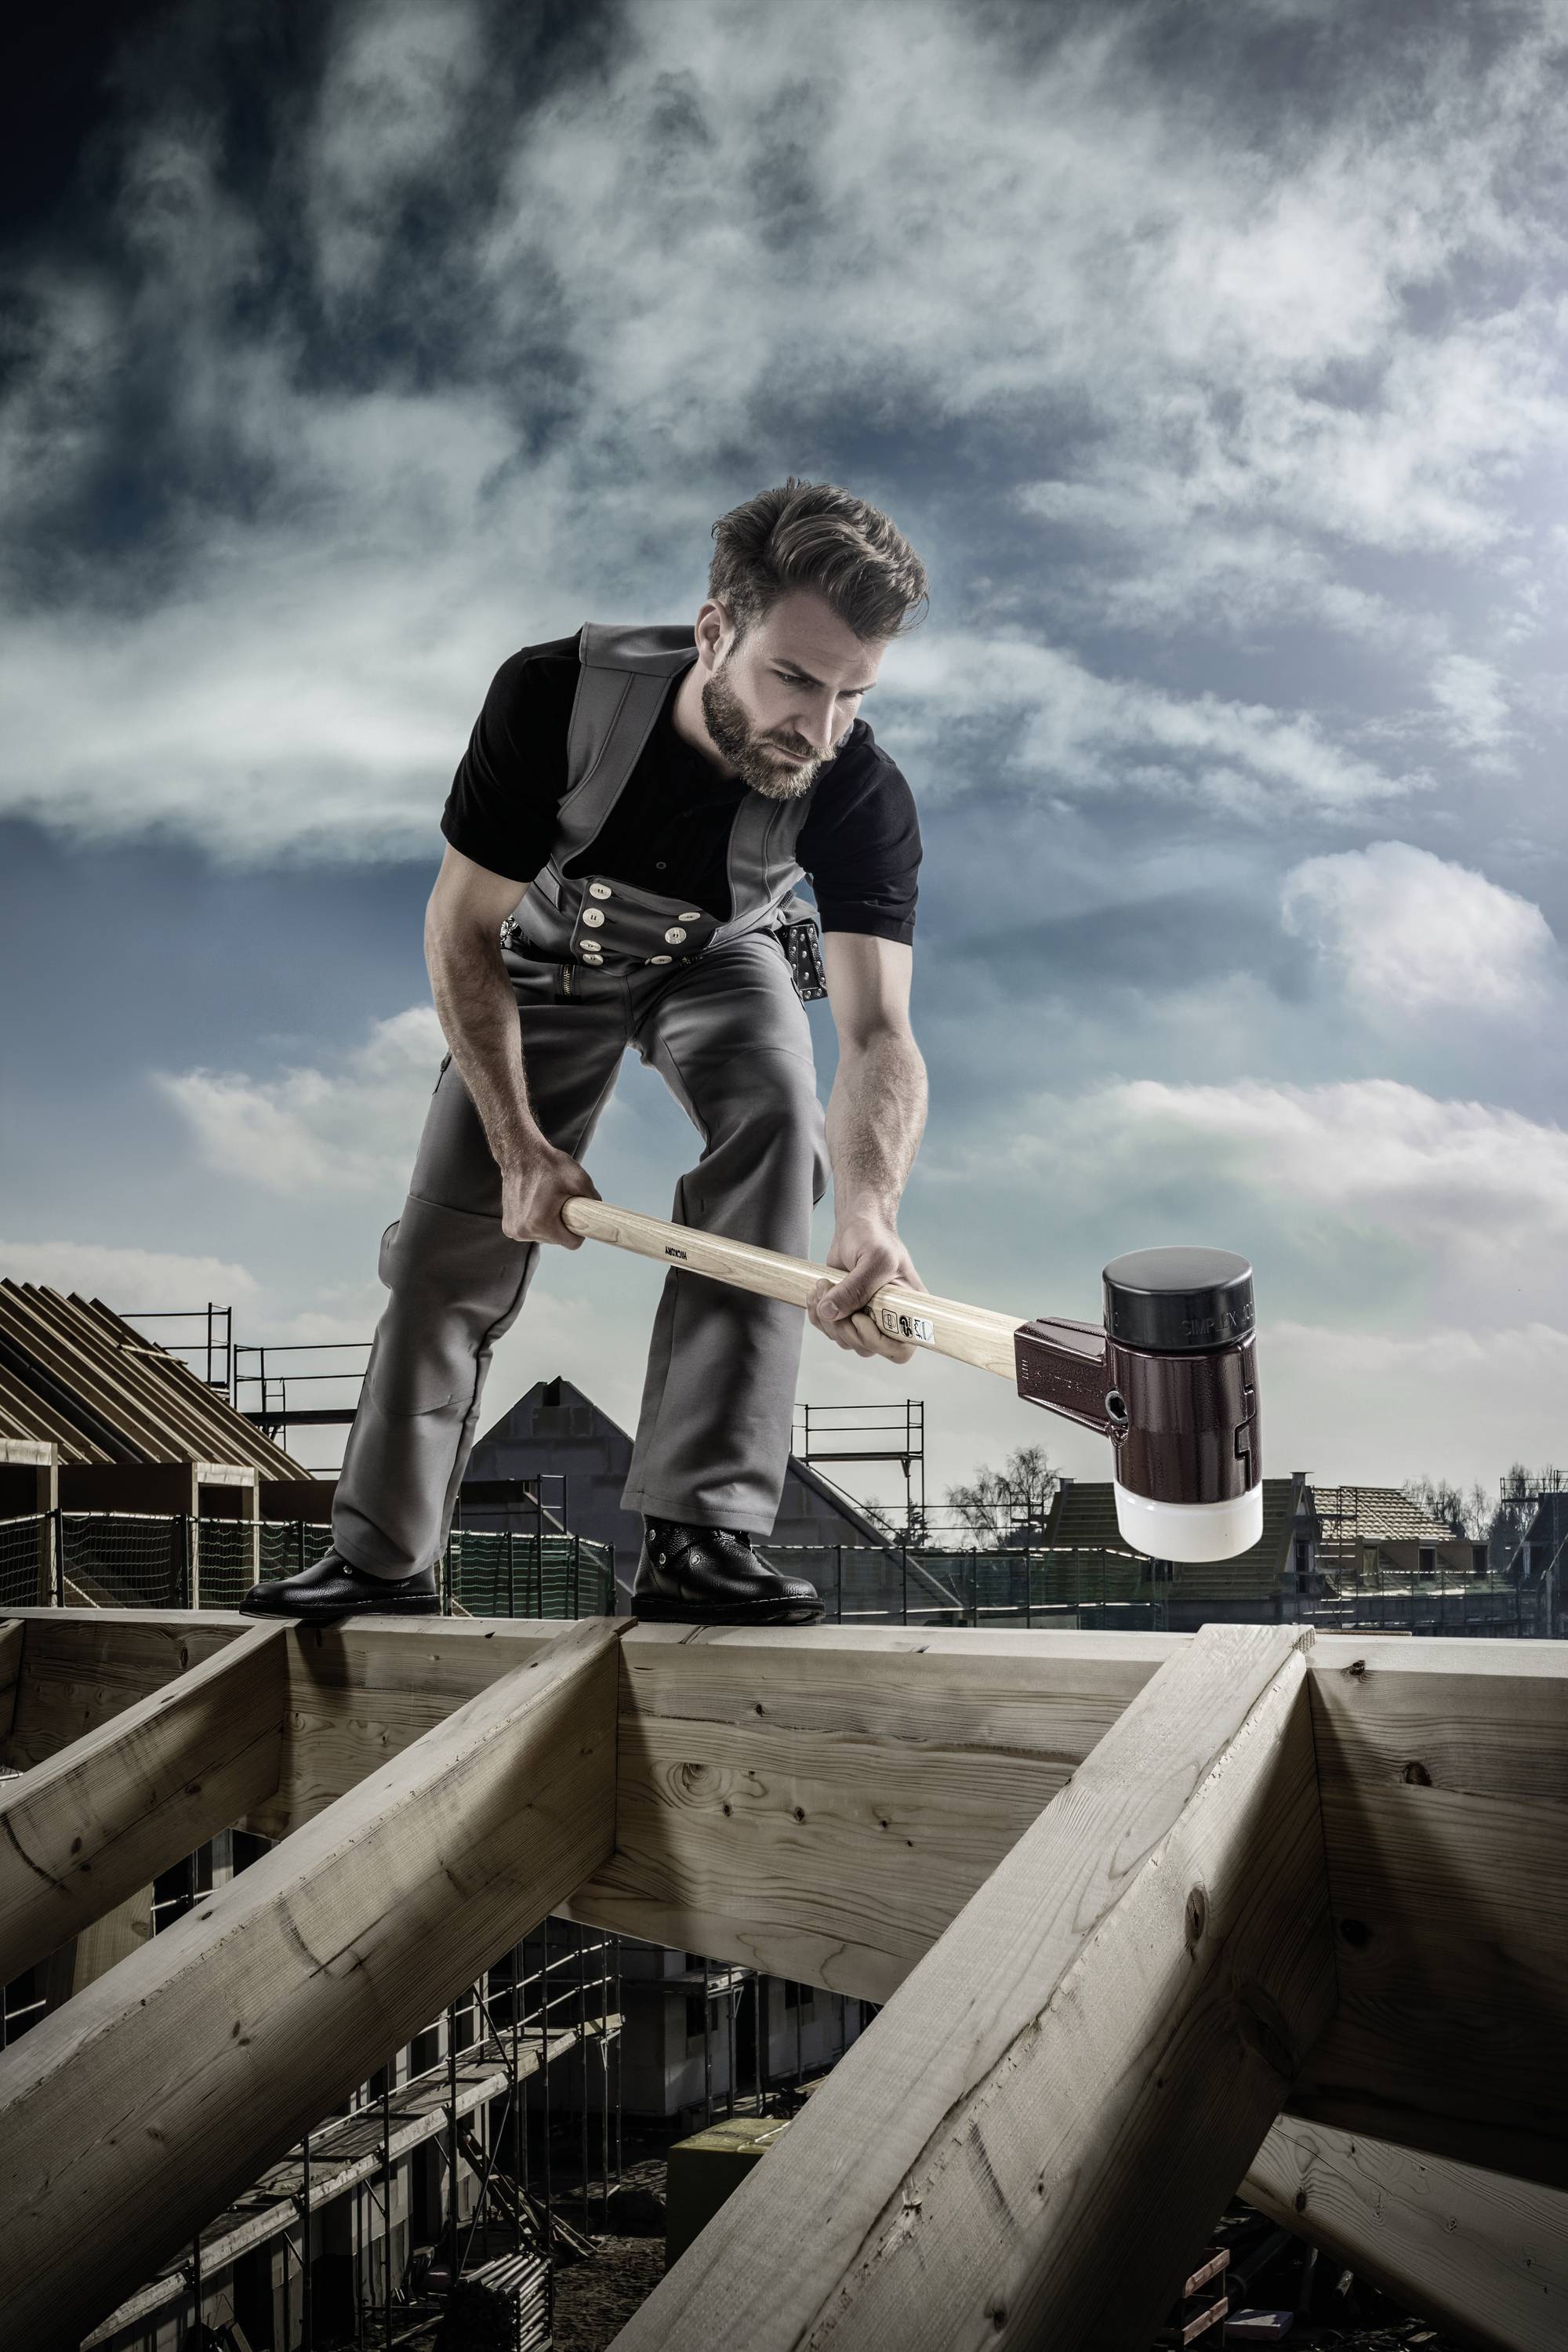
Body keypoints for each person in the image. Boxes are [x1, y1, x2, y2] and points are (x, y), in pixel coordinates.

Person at [241, 478, 930, 1626]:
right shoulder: (552, 693)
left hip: (721, 958)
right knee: (450, 1240)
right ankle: (381, 1559)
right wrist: (517, 1144)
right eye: (793, 680)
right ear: (715, 631)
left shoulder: (858, 786)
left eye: (852, 695)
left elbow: (876, 1033)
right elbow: (459, 925)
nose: (819, 730)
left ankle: (701, 1537)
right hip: (541, 958)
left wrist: (870, 1210)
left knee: (778, 1134)